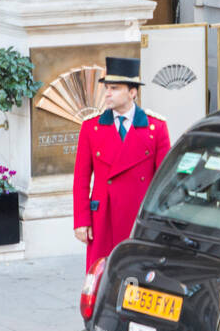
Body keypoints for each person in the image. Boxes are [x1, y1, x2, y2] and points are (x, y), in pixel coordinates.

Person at [73, 57, 171, 271]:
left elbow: (163, 184)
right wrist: (81, 220)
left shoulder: (157, 129)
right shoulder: (91, 128)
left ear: (132, 92)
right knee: (102, 276)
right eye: (107, 88)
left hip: (138, 219)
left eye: (114, 88)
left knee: (138, 275)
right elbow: (81, 179)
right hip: (103, 217)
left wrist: (160, 223)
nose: (107, 93)